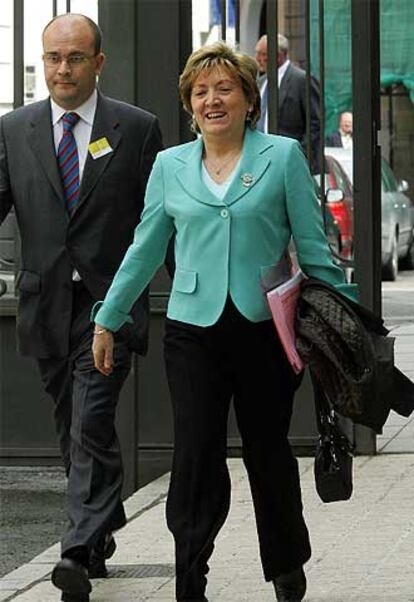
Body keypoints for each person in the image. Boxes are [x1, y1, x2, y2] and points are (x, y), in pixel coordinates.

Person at [92, 42, 358, 602]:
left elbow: (312, 250)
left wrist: (348, 322)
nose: (212, 100)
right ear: (189, 104)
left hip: (264, 328)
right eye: (200, 91)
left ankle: (286, 564)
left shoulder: (282, 157)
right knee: (195, 453)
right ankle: (190, 573)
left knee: (268, 450)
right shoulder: (170, 166)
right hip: (192, 331)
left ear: (247, 98)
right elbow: (144, 249)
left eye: (224, 89)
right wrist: (108, 318)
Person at [0, 13, 164, 602]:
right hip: (44, 306)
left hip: (108, 305)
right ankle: (100, 527)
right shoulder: (13, 130)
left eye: (73, 58)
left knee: (92, 418)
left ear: (99, 62)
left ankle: (72, 550)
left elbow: (158, 218)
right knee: (72, 428)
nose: (61, 70)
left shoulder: (137, 129)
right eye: (52, 59)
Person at [255, 34, 321, 173]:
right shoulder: (260, 82)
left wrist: (299, 155)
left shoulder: (302, 80)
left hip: (290, 162)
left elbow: (315, 123)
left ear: (278, 55)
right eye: (257, 53)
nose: (257, 59)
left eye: (262, 54)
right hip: (260, 162)